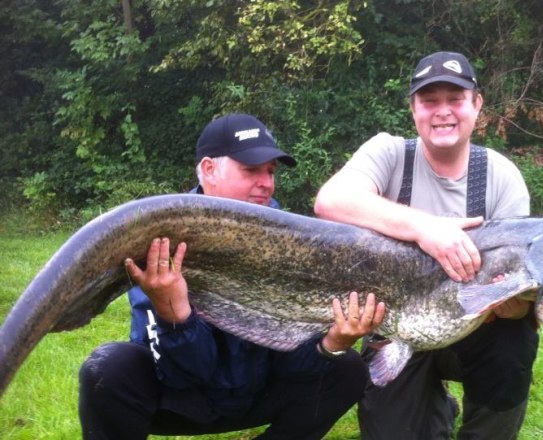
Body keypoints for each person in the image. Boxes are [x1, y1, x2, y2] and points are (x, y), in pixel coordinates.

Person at [78, 113, 386, 440]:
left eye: (270, 171)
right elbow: (181, 374)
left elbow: (295, 362)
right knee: (108, 369)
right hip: (182, 397)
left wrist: (332, 344)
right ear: (210, 169)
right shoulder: (164, 237)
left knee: (347, 368)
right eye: (251, 170)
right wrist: (175, 316)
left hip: (260, 392)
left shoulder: (293, 241)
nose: (266, 182)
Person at [314, 52, 539, 439]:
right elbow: (330, 202)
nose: (442, 112)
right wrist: (425, 228)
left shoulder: (501, 178)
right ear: (413, 108)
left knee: (512, 344)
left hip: (473, 330)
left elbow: (518, 283)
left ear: (476, 104)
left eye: (455, 99)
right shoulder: (388, 153)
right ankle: (434, 405)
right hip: (395, 331)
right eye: (429, 100)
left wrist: (516, 307)